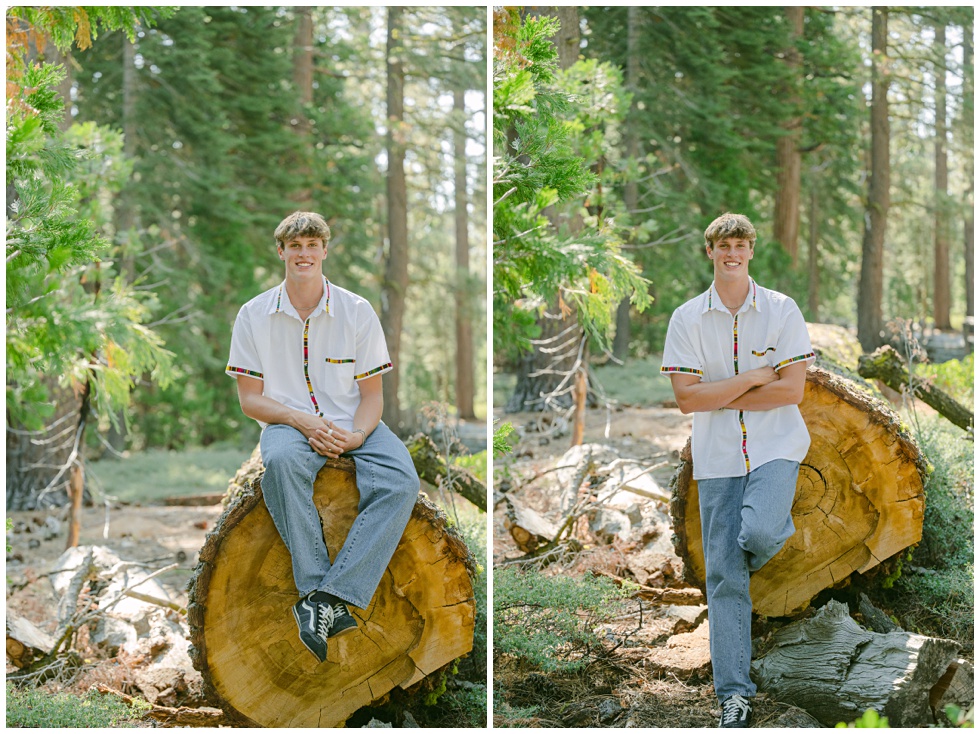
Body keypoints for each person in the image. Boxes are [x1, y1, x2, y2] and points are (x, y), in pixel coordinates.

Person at [225, 211, 419, 664]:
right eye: (295, 246)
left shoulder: (356, 311)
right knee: (282, 464)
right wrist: (300, 421)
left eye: (313, 245)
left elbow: (372, 397)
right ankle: (316, 587)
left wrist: (354, 437)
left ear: (325, 251)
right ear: (281, 252)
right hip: (286, 423)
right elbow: (250, 400)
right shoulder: (253, 315)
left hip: (354, 420)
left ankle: (327, 601)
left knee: (401, 482)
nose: (304, 253)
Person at [660, 213, 814, 728]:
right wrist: (749, 379)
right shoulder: (686, 318)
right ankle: (733, 695)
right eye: (723, 244)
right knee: (725, 577)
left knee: (764, 529)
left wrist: (716, 393)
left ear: (751, 251)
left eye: (740, 244)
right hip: (718, 458)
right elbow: (685, 400)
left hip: (776, 446)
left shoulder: (780, 310)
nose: (732, 252)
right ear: (710, 251)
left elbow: (792, 390)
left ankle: (743, 581)